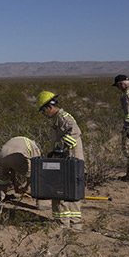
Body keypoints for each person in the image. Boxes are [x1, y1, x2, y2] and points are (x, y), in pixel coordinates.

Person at [36, 91, 84, 230]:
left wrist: (60, 148)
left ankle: (64, 224)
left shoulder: (64, 117)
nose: (44, 114)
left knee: (62, 191)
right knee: (69, 191)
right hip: (67, 159)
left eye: (43, 111)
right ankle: (73, 224)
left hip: (69, 160)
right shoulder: (58, 118)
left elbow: (75, 132)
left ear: (49, 107)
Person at [0, 136, 51, 210]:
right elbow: (35, 168)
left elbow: (12, 170)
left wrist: (16, 186)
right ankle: (43, 204)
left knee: (2, 178)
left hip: (2, 155)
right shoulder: (34, 147)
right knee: (38, 177)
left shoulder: (18, 140)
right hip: (18, 156)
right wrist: (26, 186)